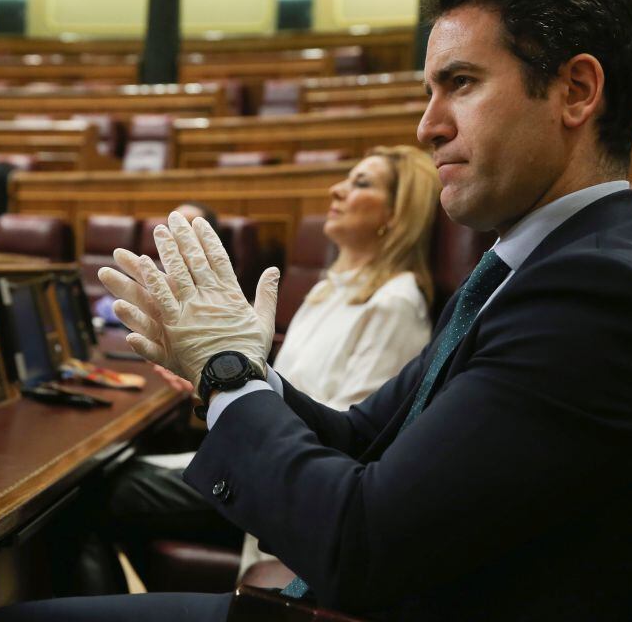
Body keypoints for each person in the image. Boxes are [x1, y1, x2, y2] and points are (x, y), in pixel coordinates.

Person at [0, 0, 632, 622]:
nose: (428, 126)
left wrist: (229, 375)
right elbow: (362, 435)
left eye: (460, 84)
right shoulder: (538, 269)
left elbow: (363, 547)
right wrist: (235, 370)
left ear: (576, 91)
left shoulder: (596, 295)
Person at [75, 147, 439, 595]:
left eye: (362, 183)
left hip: (286, 478)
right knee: (101, 480)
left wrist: (228, 378)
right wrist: (211, 378)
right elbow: (283, 389)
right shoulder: (329, 288)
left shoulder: (395, 304)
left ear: (397, 213)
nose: (337, 189)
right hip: (260, 450)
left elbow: (355, 440)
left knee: (89, 493)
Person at [93, 202, 219, 325]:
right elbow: (106, 305)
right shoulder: (151, 266)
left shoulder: (216, 278)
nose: (176, 230)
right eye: (172, 224)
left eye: (186, 224)